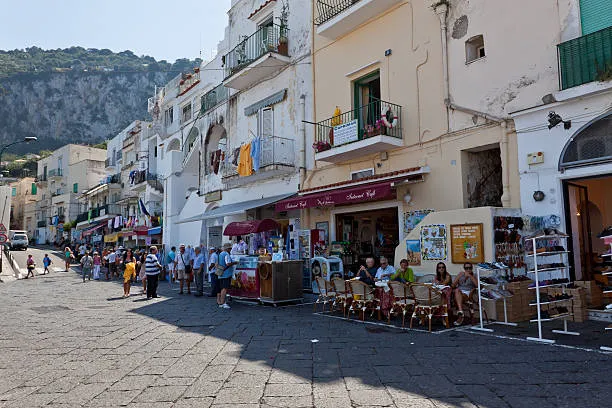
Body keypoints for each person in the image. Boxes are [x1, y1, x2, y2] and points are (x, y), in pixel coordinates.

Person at [217, 243, 237, 309]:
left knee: (221, 288)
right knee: (224, 289)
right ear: (228, 249)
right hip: (226, 274)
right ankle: (223, 302)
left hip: (221, 273)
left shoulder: (220, 254)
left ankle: (220, 302)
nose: (230, 250)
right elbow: (228, 264)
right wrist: (234, 262)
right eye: (230, 248)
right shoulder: (226, 254)